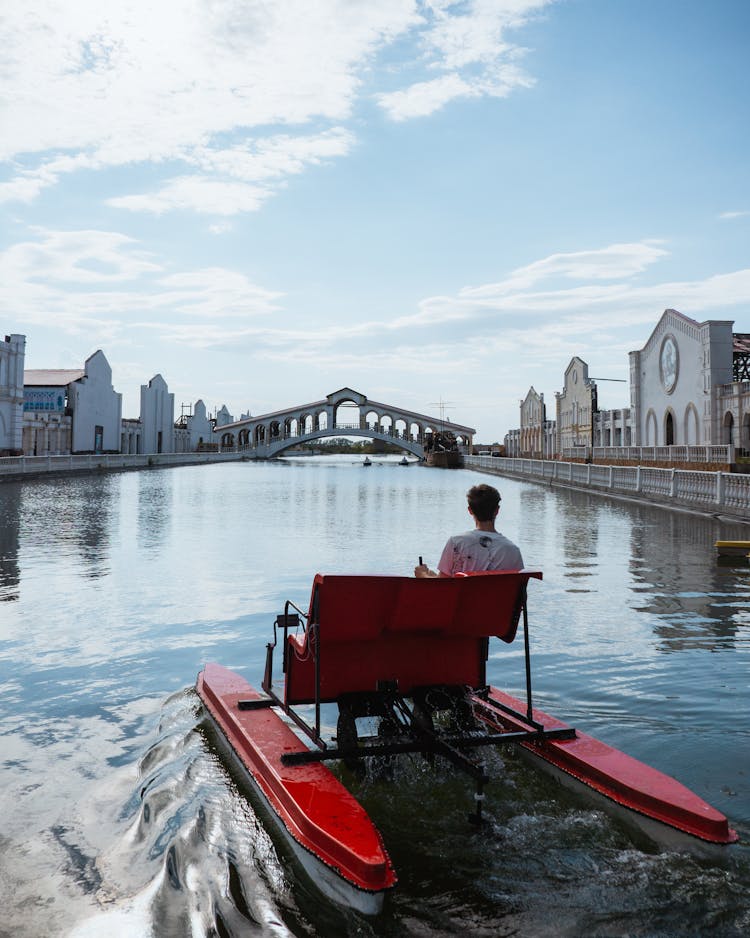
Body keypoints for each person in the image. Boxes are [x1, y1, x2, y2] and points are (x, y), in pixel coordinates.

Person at [414, 483, 523, 577]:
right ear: (497, 510)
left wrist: (423, 574)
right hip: (498, 601)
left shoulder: (456, 543)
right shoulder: (513, 551)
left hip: (461, 601)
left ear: (470, 510)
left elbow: (441, 585)